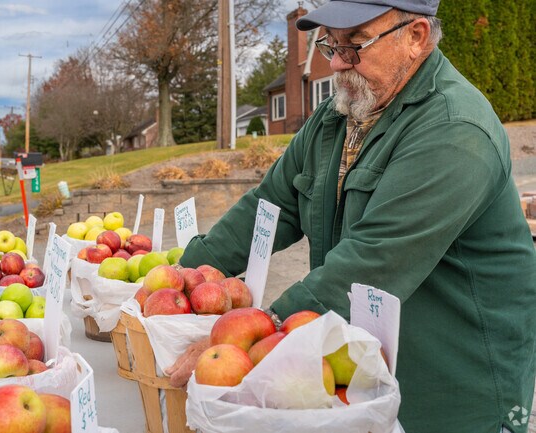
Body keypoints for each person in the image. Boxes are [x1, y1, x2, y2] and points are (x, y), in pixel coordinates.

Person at [165, 1, 536, 432]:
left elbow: (372, 262)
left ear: (415, 37)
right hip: (365, 375)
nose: (338, 62)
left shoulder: (456, 130)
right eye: (330, 44)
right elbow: (269, 206)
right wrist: (183, 274)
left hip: (453, 388)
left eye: (356, 44)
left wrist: (253, 341)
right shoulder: (339, 116)